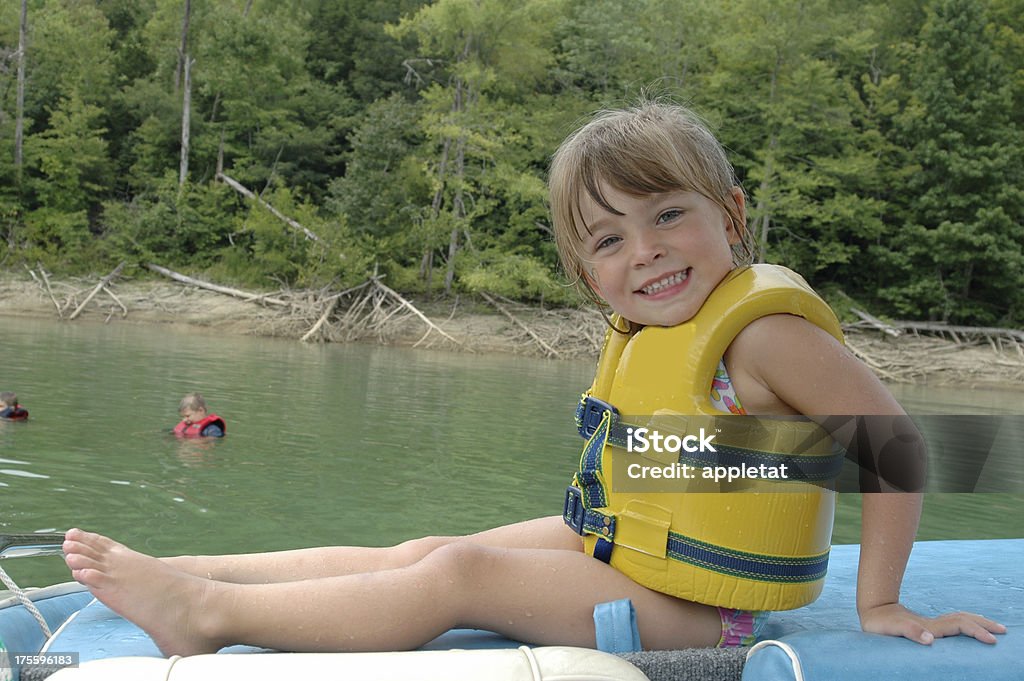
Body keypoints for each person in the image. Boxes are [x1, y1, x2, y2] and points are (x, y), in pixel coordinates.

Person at [62, 101, 1005, 657]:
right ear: (584, 267)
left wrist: (879, 602)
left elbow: (897, 448)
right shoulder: (645, 330)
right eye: (609, 238)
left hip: (708, 612)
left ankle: (203, 614)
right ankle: (197, 567)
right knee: (428, 542)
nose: (647, 251)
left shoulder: (760, 337)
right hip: (628, 547)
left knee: (458, 574)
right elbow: (708, 466)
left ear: (732, 214)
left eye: (669, 214)